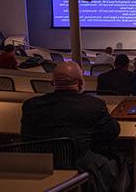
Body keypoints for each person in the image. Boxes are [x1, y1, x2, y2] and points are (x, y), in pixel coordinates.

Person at [21, 62, 129, 192]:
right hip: (81, 171)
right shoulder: (94, 105)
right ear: (80, 82)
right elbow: (112, 132)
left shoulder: (30, 105)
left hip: (40, 171)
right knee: (122, 158)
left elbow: (24, 136)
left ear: (52, 83)